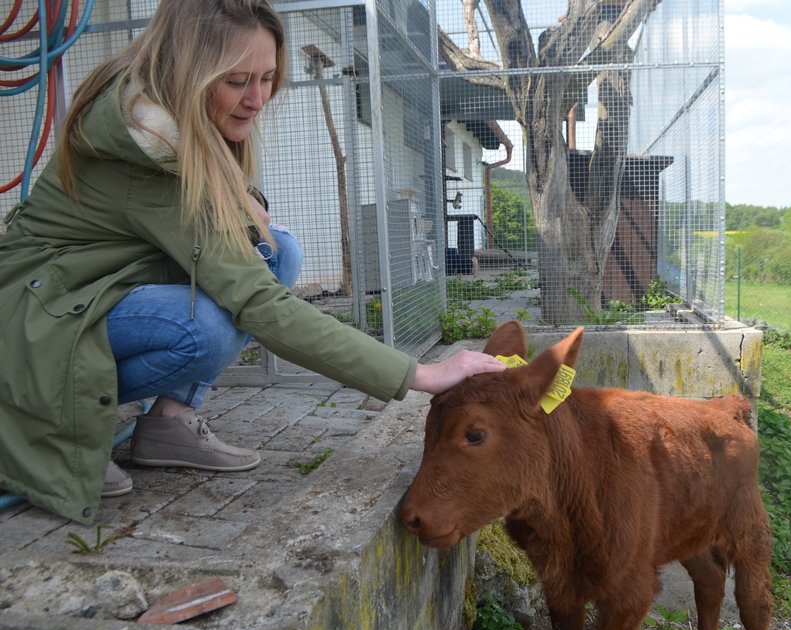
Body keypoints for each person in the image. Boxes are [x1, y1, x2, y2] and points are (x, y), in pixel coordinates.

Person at [0, 0, 505, 525]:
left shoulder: (180, 114)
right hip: (34, 316)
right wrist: (420, 373)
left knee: (277, 251)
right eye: (238, 80)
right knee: (208, 328)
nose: (257, 98)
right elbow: (260, 306)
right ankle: (54, 422)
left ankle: (170, 420)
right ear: (190, 74)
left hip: (95, 284)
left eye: (267, 78)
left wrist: (244, 202)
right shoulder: (146, 147)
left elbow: (223, 242)